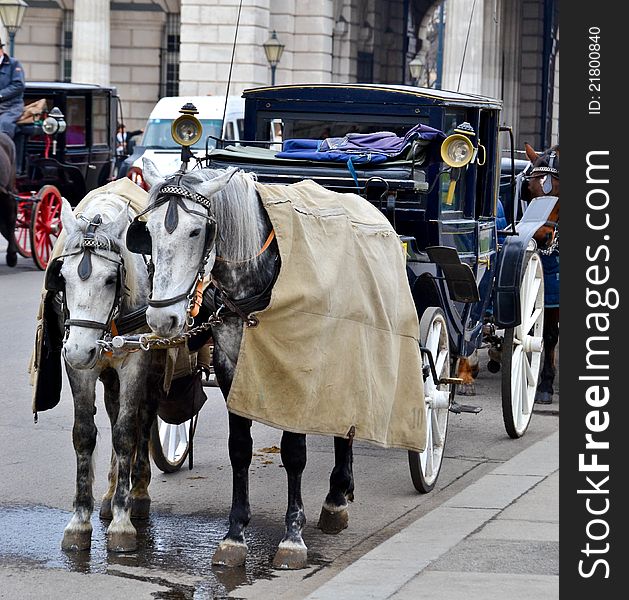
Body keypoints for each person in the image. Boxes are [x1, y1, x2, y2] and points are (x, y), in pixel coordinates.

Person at [0, 38, 25, 139]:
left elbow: (19, 85)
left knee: (4, 124)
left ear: (1, 50)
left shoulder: (14, 64)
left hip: (11, 107)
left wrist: (1, 94)